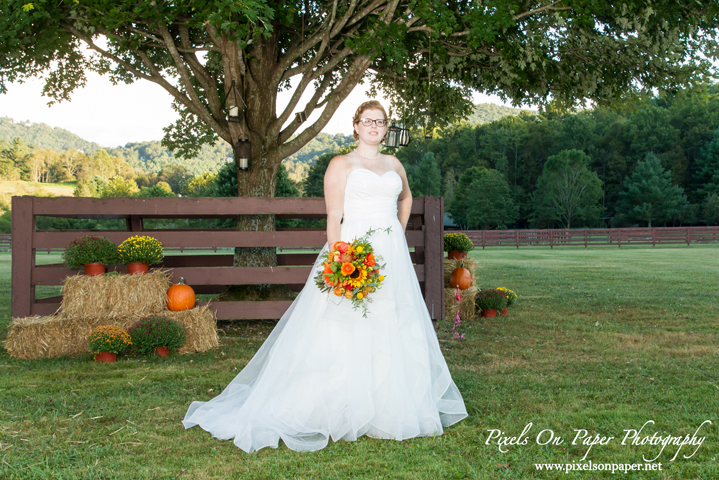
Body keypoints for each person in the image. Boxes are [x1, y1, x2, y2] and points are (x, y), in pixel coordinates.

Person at [182, 100, 468, 453]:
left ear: (386, 127)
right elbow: (334, 218)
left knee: (394, 319)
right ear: (356, 126)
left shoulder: (394, 163)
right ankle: (339, 405)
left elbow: (406, 198)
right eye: (367, 121)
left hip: (391, 254)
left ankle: (390, 407)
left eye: (380, 121)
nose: (374, 127)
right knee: (343, 325)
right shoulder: (341, 164)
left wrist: (396, 229)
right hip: (354, 251)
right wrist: (342, 259)